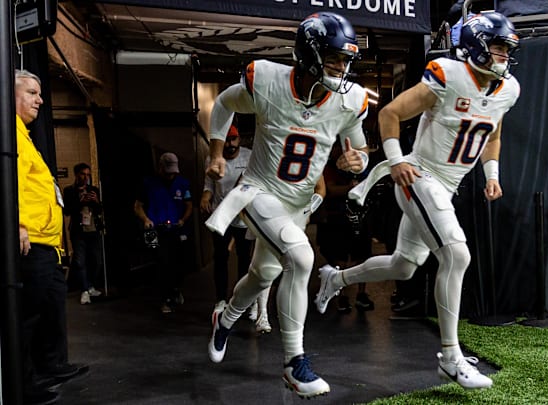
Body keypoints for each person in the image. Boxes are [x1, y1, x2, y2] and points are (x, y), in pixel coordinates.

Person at [314, 13, 521, 390]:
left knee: (405, 266)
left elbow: (492, 136)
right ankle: (450, 356)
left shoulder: (507, 89)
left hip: (447, 185)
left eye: (508, 48)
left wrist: (492, 177)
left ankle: (336, 278)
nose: (505, 55)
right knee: (457, 255)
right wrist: (394, 162)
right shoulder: (449, 75)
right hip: (419, 175)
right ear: (476, 46)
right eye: (498, 46)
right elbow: (389, 113)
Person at [204, 12, 370, 398]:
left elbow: (358, 145)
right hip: (260, 190)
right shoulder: (267, 80)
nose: (340, 68)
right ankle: (294, 362)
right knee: (302, 257)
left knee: (263, 274)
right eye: (333, 58)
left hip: (299, 202)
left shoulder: (348, 101)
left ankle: (225, 317)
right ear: (308, 53)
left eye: (345, 60)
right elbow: (224, 104)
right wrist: (215, 153)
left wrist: (357, 160)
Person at [16, 69, 89, 404]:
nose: (40, 100)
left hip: (48, 245)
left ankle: (51, 365)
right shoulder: (10, 133)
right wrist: (17, 224)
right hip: (30, 241)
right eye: (32, 93)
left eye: (40, 93)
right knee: (28, 315)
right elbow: (10, 181)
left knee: (50, 308)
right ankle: (23, 383)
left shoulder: (25, 135)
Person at [200, 124, 271, 334]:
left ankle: (243, 301)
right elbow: (209, 185)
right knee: (220, 258)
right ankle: (221, 299)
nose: (230, 145)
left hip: (244, 218)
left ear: (239, 139)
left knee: (245, 261)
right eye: (227, 140)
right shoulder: (213, 159)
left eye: (233, 140)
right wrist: (205, 196)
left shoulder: (249, 157)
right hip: (222, 216)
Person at [315, 141, 374, 313]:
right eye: (338, 147)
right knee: (339, 259)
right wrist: (349, 188)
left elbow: (369, 184)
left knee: (363, 256)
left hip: (361, 216)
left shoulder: (361, 164)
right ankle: (341, 295)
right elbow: (329, 189)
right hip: (337, 217)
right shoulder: (328, 166)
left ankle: (362, 294)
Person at [133, 152, 193, 313]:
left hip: (176, 228)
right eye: (167, 172)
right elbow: (137, 206)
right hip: (155, 230)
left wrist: (183, 220)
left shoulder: (183, 183)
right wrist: (146, 219)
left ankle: (175, 289)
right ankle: (165, 298)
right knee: (161, 263)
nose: (170, 175)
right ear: (160, 168)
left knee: (178, 263)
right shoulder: (148, 184)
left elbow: (189, 205)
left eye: (173, 172)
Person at [63, 163, 104, 305]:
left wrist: (96, 201)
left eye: (88, 175)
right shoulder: (69, 191)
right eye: (82, 174)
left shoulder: (93, 190)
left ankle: (91, 285)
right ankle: (84, 290)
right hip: (78, 231)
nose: (85, 177)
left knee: (96, 261)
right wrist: (80, 202)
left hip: (93, 229)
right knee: (80, 261)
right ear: (76, 174)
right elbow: (67, 211)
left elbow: (100, 210)